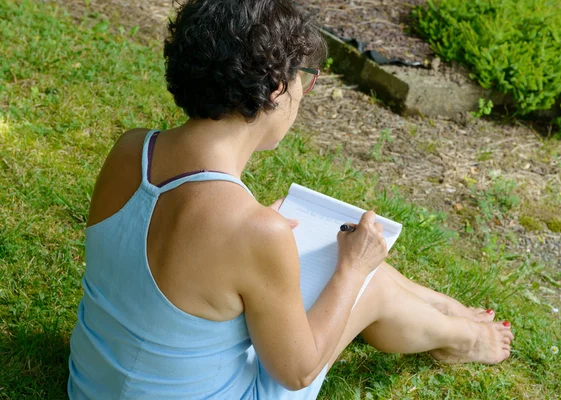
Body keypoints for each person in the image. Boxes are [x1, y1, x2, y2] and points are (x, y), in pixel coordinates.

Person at [67, 0, 514, 398]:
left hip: (92, 385)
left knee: (340, 251)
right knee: (364, 280)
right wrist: (352, 272)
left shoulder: (131, 150)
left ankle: (445, 310)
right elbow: (297, 373)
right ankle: (463, 338)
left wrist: (271, 235)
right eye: (306, 79)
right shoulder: (254, 231)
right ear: (278, 87)